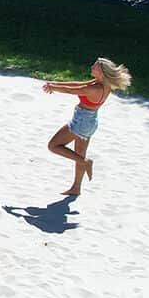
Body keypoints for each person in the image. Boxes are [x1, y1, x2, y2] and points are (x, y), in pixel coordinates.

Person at [42, 57, 132, 196]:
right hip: (90, 122)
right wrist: (54, 83)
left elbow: (71, 90)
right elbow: (77, 84)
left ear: (101, 72)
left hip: (81, 122)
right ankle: (76, 188)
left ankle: (86, 162)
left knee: (53, 146)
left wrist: (53, 87)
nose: (92, 67)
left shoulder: (94, 89)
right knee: (79, 153)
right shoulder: (102, 84)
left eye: (95, 66)